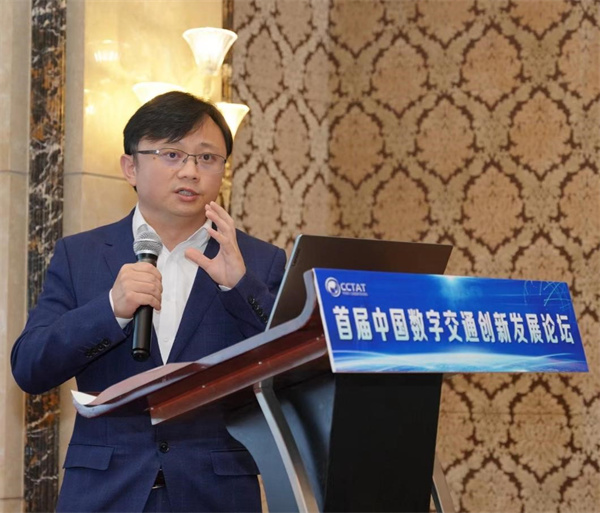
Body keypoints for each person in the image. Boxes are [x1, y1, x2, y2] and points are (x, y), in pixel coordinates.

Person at [11, 91, 287, 512]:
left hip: (216, 494)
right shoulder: (81, 255)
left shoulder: (259, 261)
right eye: (172, 154)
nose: (191, 171)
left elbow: (292, 374)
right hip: (104, 492)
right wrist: (110, 310)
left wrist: (241, 288)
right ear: (131, 167)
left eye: (207, 158)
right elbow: (30, 367)